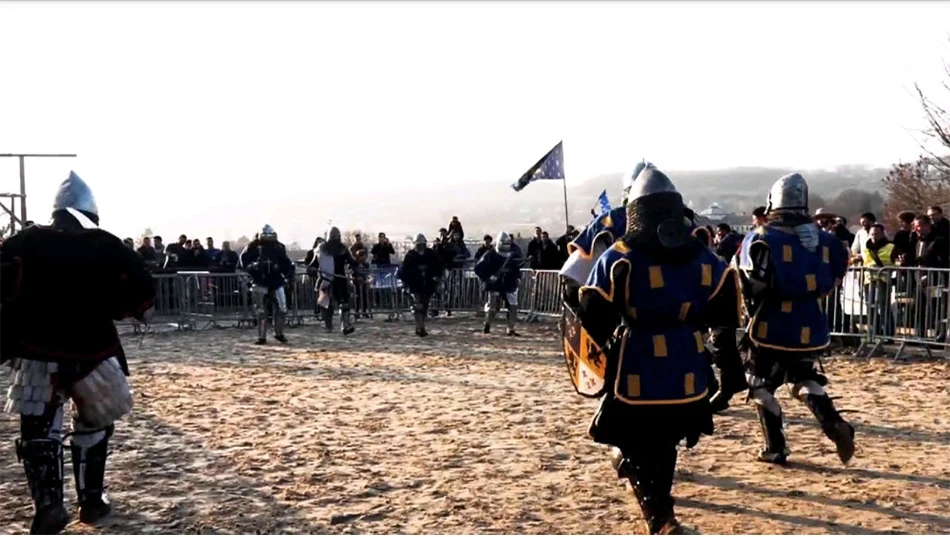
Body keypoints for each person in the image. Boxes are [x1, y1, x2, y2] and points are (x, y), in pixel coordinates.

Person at [575, 165, 742, 534]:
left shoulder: (620, 256)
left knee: (630, 441)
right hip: (688, 364)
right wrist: (729, 368)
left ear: (636, 210)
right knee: (666, 443)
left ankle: (660, 517)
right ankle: (663, 514)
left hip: (637, 362)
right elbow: (724, 315)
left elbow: (593, 315)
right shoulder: (704, 257)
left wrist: (599, 355)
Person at [1, 171, 156, 534]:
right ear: (89, 211)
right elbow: (142, 294)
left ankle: (49, 505)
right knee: (94, 423)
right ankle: (91, 500)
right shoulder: (106, 244)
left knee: (38, 431)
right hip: (92, 349)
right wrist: (123, 308)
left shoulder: (25, 241)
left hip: (36, 348)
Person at [736, 172, 854, 466]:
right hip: (810, 320)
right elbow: (834, 279)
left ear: (773, 201)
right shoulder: (827, 241)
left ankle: (774, 448)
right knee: (801, 378)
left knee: (760, 384)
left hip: (771, 322)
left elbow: (754, 282)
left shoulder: (762, 237)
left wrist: (749, 306)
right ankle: (833, 422)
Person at [239, 225, 295, 345]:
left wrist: (288, 275)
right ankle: (261, 336)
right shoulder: (252, 247)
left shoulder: (278, 247)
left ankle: (279, 333)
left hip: (276, 281)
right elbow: (243, 263)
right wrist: (255, 266)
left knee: (282, 308)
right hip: (259, 280)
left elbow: (286, 264)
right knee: (260, 311)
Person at [475, 231, 523, 336]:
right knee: (493, 307)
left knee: (513, 306)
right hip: (495, 284)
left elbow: (515, 269)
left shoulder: (511, 255)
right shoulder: (490, 254)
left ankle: (510, 328)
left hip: (509, 283)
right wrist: (488, 276)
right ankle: (487, 324)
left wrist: (518, 278)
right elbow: (479, 268)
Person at [397, 234, 444, 337]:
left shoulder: (431, 254)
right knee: (417, 305)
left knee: (425, 306)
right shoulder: (410, 255)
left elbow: (439, 267)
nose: (421, 246)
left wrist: (436, 277)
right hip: (414, 284)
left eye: (422, 244)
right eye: (419, 244)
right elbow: (404, 271)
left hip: (428, 284)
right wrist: (406, 284)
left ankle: (420, 326)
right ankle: (420, 327)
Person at [315, 227, 358, 334]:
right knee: (326, 304)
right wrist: (311, 269)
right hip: (326, 279)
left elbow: (352, 262)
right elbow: (314, 263)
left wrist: (356, 270)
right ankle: (328, 326)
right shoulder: (321, 249)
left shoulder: (342, 249)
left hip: (340, 280)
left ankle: (345, 326)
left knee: (344, 304)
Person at [862, 223, 898, 337]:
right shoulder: (866, 248)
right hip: (869, 280)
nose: (874, 236)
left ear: (882, 234)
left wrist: (889, 267)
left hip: (883, 280)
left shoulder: (891, 247)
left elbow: (898, 263)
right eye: (872, 234)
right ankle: (874, 333)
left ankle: (888, 334)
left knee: (884, 307)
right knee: (870, 307)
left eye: (876, 234)